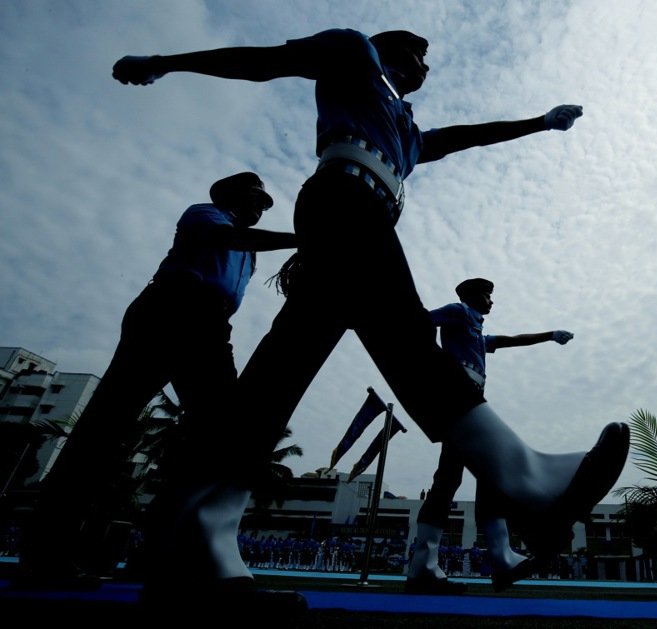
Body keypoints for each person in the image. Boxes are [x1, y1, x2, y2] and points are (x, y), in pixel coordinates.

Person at [111, 28, 630, 598]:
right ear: (386, 48)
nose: (424, 65)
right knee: (405, 337)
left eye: (429, 60)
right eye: (415, 52)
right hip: (344, 202)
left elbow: (464, 137)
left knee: (278, 373)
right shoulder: (354, 55)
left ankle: (195, 528)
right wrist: (164, 60)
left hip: (361, 216)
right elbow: (266, 63)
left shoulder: (404, 128)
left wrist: (540, 122)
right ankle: (522, 474)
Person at [15, 172, 296, 589]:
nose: (261, 207)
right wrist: (302, 239)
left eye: (264, 204)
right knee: (104, 428)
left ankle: (162, 552)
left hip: (212, 327)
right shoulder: (206, 215)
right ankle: (45, 554)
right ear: (232, 196)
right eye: (256, 199)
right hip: (169, 311)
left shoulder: (249, 252)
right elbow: (229, 241)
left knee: (220, 435)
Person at [406, 278, 574, 594]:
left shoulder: (478, 334)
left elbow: (512, 339)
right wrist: (440, 368)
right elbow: (420, 322)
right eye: (487, 294)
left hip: (468, 399)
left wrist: (549, 335)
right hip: (457, 396)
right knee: (488, 469)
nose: (491, 301)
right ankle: (499, 556)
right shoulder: (458, 311)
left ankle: (425, 568)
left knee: (450, 481)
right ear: (471, 295)